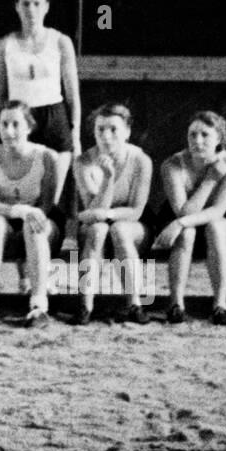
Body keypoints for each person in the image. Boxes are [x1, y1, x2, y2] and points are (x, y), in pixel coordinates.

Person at [0, 0, 81, 194]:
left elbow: (72, 94)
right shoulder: (3, 45)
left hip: (54, 117)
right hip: (19, 120)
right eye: (26, 4)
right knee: (26, 192)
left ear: (46, 7)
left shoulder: (60, 41)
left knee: (52, 195)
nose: (31, 9)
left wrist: (75, 134)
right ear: (17, 7)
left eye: (37, 4)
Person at [0, 102, 63, 328]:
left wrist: (30, 214)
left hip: (42, 225)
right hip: (3, 223)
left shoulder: (47, 157)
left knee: (32, 225)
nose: (9, 131)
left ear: (29, 127)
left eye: (16, 124)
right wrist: (20, 210)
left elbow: (46, 205)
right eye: (4, 124)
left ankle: (38, 307)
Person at [152, 111, 226, 325]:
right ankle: (176, 305)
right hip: (180, 221)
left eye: (205, 135)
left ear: (219, 138)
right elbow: (184, 213)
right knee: (188, 232)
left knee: (214, 227)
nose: (197, 141)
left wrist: (181, 223)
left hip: (216, 220)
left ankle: (220, 305)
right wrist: (210, 180)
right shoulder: (172, 165)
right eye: (192, 135)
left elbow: (218, 211)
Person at [73, 103, 152, 325]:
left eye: (113, 129)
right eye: (100, 130)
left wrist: (103, 214)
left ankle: (134, 304)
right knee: (97, 231)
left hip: (132, 226)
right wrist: (108, 179)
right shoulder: (83, 162)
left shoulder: (141, 161)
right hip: (96, 229)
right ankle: (85, 307)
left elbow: (136, 211)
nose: (106, 136)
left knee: (119, 230)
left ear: (127, 132)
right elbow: (91, 211)